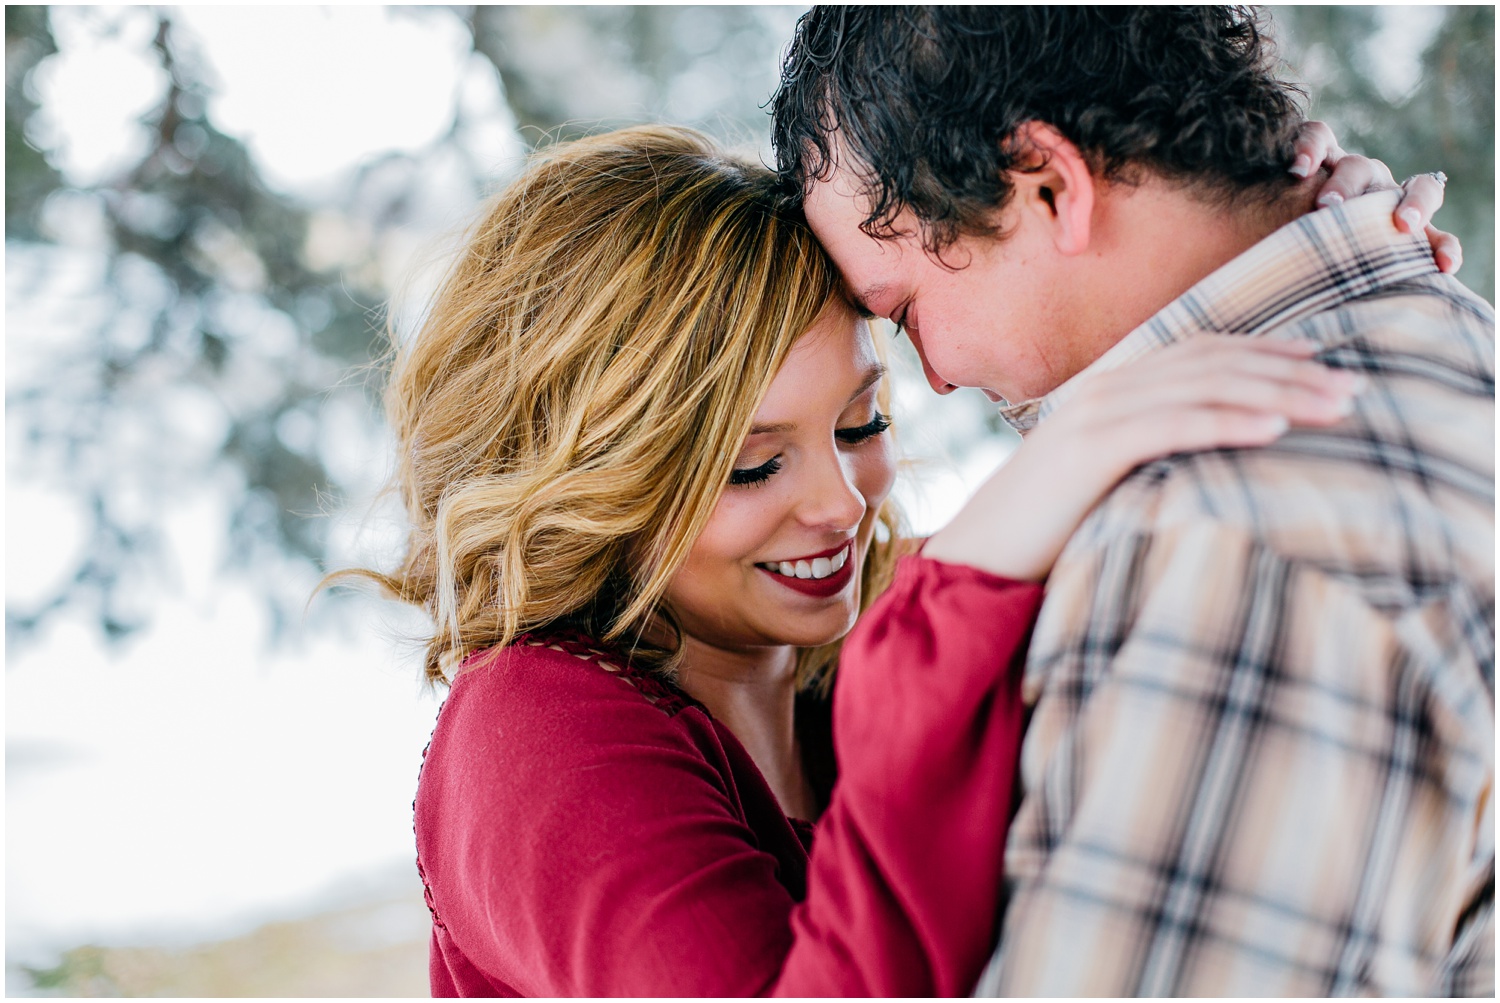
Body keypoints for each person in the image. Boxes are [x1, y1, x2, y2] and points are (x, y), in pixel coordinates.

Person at [331, 123, 1416, 997]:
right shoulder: (532, 731)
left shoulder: (876, 640)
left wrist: (1270, 232)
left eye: (859, 424)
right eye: (753, 468)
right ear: (592, 482)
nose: (839, 504)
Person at [771, 6, 1494, 996]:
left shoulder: (1225, 544)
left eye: (904, 314)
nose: (932, 379)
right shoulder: (1442, 336)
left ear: (1050, 184)